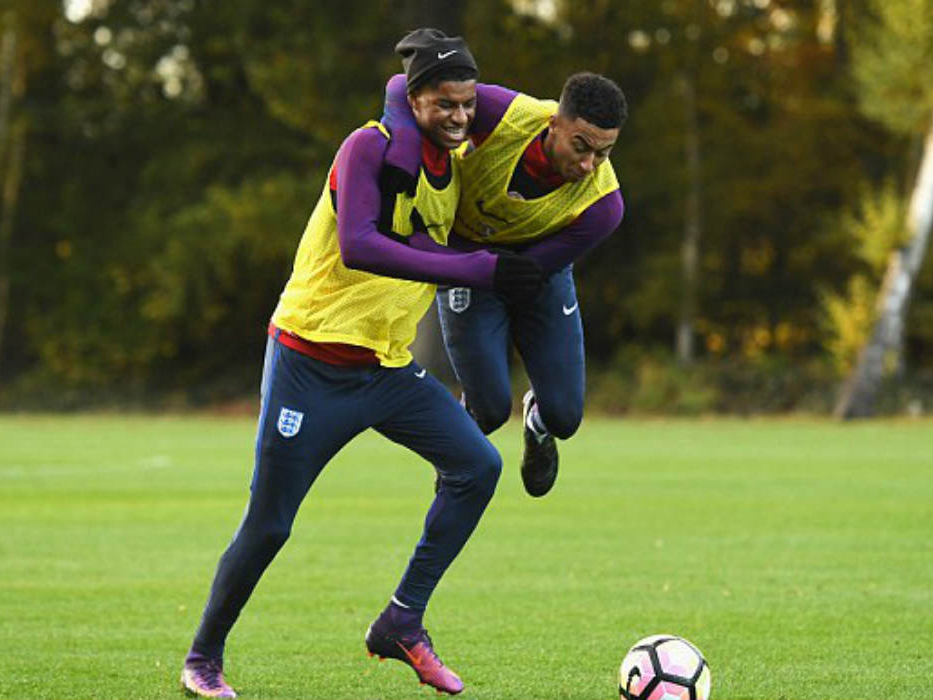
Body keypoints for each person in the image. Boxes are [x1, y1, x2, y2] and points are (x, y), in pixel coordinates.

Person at [179, 29, 542, 699]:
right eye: (443, 103)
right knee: (270, 525)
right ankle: (203, 658)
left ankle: (403, 620)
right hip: (307, 364)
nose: (459, 116)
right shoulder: (366, 147)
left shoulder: (453, 166)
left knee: (478, 466)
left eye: (467, 103)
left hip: (386, 371)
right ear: (414, 98)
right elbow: (360, 246)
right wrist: (475, 269)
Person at [382, 70, 627, 498]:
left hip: (536, 269)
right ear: (554, 123)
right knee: (490, 409)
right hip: (469, 261)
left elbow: (528, 274)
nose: (589, 166)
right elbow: (401, 86)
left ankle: (536, 421)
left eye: (603, 154)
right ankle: (459, 459)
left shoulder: (603, 207)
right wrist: (404, 146)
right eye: (581, 147)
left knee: (565, 416)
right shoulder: (504, 115)